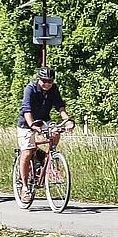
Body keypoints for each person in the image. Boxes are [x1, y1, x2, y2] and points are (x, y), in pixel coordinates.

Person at [16, 66, 74, 202]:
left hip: (43, 120)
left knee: (55, 132)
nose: (47, 84)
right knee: (27, 152)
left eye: (50, 81)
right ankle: (24, 187)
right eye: (44, 81)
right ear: (39, 79)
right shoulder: (30, 88)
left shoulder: (53, 89)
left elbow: (60, 107)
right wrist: (32, 125)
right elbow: (26, 109)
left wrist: (67, 121)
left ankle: (51, 159)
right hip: (27, 122)